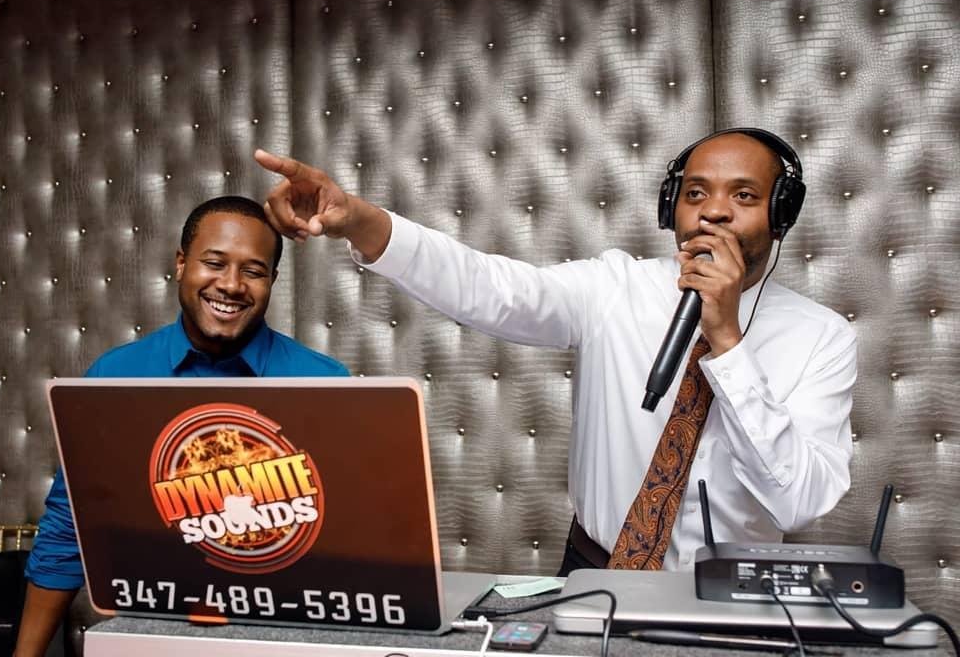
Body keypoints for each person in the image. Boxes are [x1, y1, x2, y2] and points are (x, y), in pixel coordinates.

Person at [255, 130, 856, 575]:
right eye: (696, 192)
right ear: (672, 206)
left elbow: (798, 501)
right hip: (595, 572)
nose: (715, 210)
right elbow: (485, 286)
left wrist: (726, 342)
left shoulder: (822, 338)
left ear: (781, 214)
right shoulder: (613, 288)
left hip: (737, 593)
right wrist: (360, 220)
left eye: (744, 195)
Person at [14, 196, 348, 657]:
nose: (231, 285)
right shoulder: (115, 378)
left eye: (253, 271)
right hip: (151, 638)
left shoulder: (324, 384)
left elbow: (348, 544)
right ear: (180, 264)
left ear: (272, 280)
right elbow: (68, 526)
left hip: (287, 639)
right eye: (214, 263)